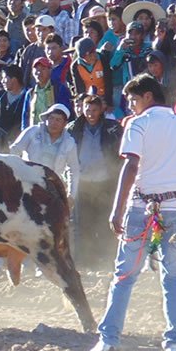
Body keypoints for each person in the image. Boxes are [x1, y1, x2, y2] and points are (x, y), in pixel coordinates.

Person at [89, 74, 176, 351]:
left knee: (124, 276)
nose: (131, 106)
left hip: (141, 207)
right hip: (175, 208)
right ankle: (174, 343)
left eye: (134, 100)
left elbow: (132, 165)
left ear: (147, 96)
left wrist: (116, 208)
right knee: (173, 279)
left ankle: (109, 339)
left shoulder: (138, 124)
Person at [67, 94, 123, 265]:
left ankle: (109, 258)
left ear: (101, 110)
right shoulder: (72, 128)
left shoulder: (112, 128)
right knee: (83, 223)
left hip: (105, 180)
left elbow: (120, 152)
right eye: (87, 109)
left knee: (105, 221)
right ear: (82, 109)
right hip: (82, 182)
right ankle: (85, 261)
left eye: (94, 110)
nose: (90, 113)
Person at [10, 103, 79, 204]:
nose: (53, 123)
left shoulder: (69, 142)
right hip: (26, 183)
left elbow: (73, 169)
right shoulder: (32, 131)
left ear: (65, 123)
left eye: (58, 120)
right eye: (51, 118)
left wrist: (71, 195)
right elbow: (14, 151)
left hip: (51, 187)